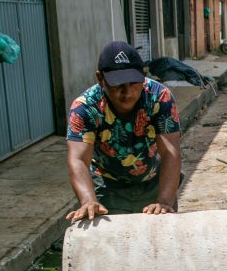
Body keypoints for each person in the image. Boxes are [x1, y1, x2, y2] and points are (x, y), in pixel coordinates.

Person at [66, 41, 181, 221]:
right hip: (107, 185)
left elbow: (170, 153)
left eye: (134, 83)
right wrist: (88, 200)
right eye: (117, 84)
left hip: (154, 181)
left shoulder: (160, 97)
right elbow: (78, 158)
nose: (127, 92)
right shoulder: (85, 107)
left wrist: (165, 201)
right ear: (100, 78)